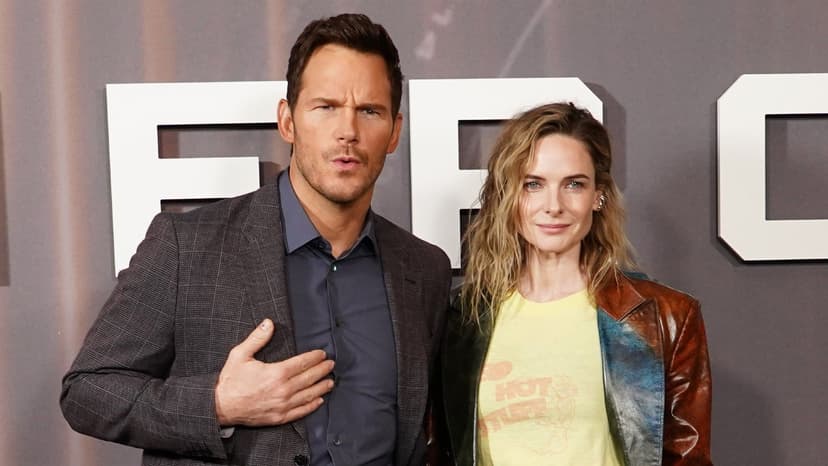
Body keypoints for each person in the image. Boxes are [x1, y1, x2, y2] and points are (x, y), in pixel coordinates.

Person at [61, 13, 451, 466]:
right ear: (287, 121)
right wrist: (217, 405)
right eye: (325, 107)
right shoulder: (187, 245)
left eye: (369, 111)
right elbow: (88, 391)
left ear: (394, 132)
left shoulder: (424, 270)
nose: (348, 131)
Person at [438, 103, 712, 465]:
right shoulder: (461, 318)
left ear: (598, 195)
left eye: (574, 184)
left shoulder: (667, 318)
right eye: (533, 184)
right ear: (508, 195)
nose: (554, 205)